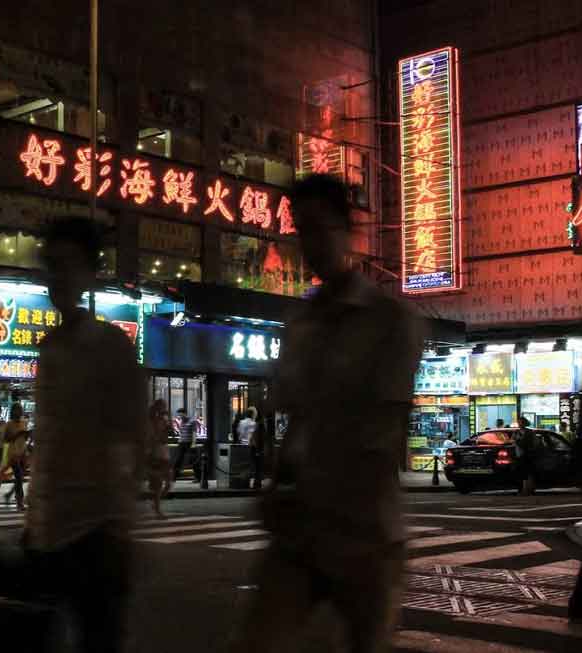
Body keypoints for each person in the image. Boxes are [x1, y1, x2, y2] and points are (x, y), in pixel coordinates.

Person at [232, 174, 424, 653]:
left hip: (365, 537)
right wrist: (279, 482)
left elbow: (387, 434)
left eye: (319, 228)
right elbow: (296, 419)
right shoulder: (300, 322)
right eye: (301, 230)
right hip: (300, 536)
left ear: (346, 230)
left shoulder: (390, 321)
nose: (309, 243)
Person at [25, 217, 145, 653]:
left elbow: (128, 439)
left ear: (90, 274)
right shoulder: (49, 348)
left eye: (68, 265)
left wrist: (120, 529)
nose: (57, 276)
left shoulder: (112, 347)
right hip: (45, 533)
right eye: (51, 265)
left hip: (96, 537)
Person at [0, 402, 30, 511]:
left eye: (20, 410)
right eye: (17, 410)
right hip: (13, 454)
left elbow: (24, 439)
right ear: (13, 411)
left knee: (20, 478)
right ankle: (20, 502)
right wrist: (17, 435)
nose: (19, 412)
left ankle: (10, 495)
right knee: (18, 477)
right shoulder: (9, 424)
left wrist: (26, 434)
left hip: (22, 453)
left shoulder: (24, 422)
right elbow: (6, 439)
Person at [146, 399, 173, 517]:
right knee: (158, 484)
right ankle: (157, 509)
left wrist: (168, 424)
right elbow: (152, 437)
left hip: (164, 451)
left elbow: (168, 433)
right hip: (155, 452)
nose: (165, 409)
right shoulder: (152, 421)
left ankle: (155, 504)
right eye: (163, 407)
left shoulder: (164, 420)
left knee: (168, 482)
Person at [514, 416, 538, 496]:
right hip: (519, 455)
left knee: (528, 473)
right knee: (521, 473)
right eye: (518, 422)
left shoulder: (530, 432)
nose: (519, 423)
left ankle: (529, 489)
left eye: (520, 422)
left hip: (528, 454)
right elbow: (512, 441)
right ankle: (522, 490)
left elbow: (535, 443)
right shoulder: (516, 432)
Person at [172, 407, 197, 484]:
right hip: (182, 443)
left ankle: (198, 477)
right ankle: (173, 478)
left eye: (181, 415)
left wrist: (193, 443)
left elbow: (194, 433)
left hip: (189, 443)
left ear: (185, 413)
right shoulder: (181, 422)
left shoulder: (192, 421)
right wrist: (179, 440)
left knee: (193, 460)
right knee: (178, 460)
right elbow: (181, 432)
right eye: (179, 416)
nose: (180, 417)